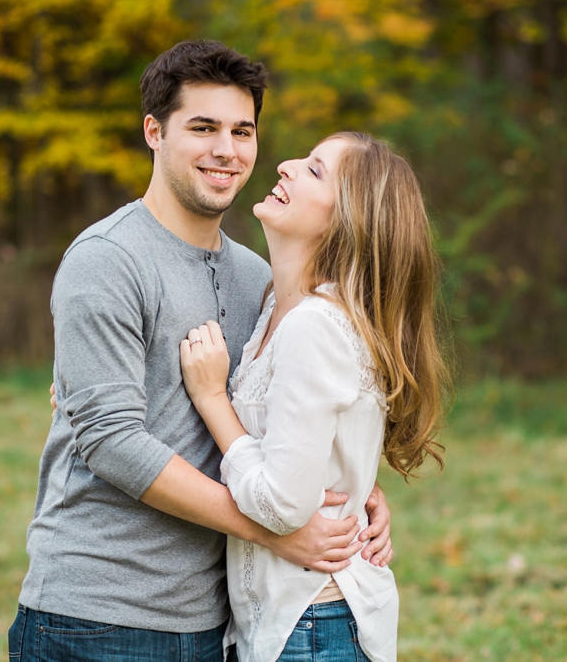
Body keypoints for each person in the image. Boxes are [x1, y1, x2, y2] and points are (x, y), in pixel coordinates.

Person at [9, 41, 394, 662]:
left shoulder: (258, 280)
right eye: (203, 128)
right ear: (154, 132)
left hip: (219, 620)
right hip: (98, 614)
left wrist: (357, 490)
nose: (227, 150)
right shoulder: (106, 259)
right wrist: (281, 532)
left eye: (242, 130)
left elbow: (286, 412)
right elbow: (111, 440)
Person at [179, 132, 448, 662]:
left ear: (346, 221)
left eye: (316, 170)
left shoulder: (315, 326)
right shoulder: (274, 313)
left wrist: (213, 400)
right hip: (288, 623)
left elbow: (284, 505)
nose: (286, 166)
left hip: (313, 627)